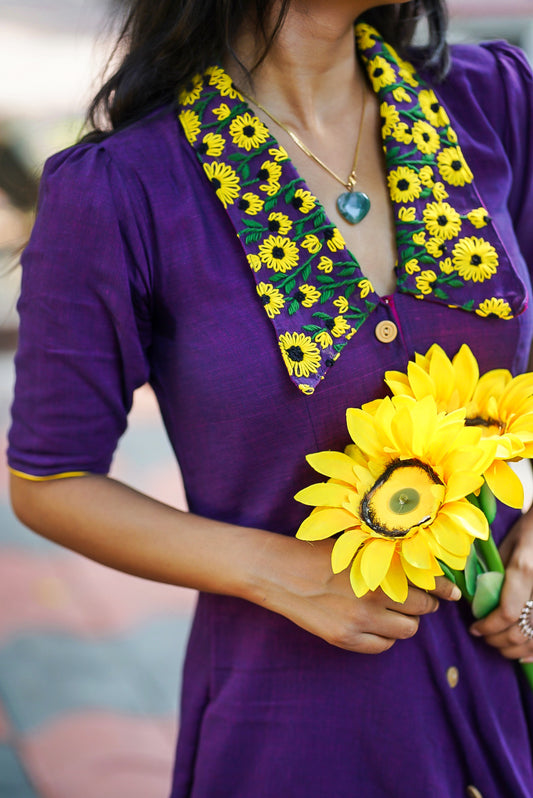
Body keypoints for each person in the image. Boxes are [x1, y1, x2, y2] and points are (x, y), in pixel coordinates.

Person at [7, 0, 533, 795]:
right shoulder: (121, 191)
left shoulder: (495, 101)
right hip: (300, 732)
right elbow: (50, 482)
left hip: (508, 700)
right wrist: (277, 570)